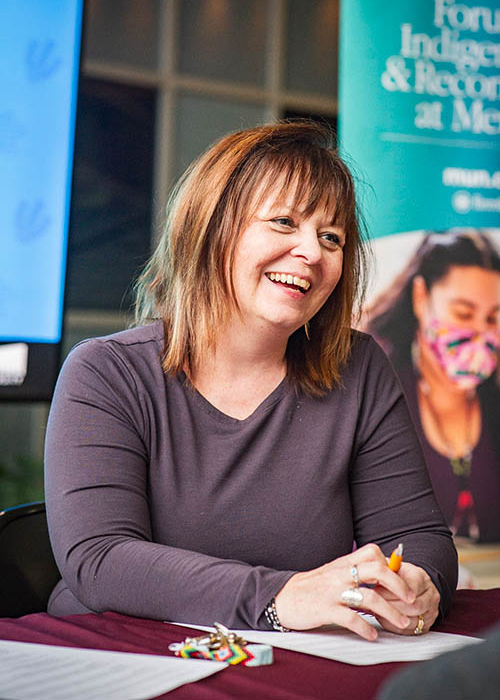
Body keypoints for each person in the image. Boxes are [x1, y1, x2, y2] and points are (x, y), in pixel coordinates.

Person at [44, 122, 457, 639]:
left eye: (332, 237)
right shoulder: (106, 372)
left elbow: (416, 536)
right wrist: (280, 597)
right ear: (212, 227)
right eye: (284, 222)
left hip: (291, 665)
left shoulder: (360, 366)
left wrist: (419, 583)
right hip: (118, 658)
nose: (313, 252)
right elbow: (100, 558)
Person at [366, 231, 500, 544]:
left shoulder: (494, 398)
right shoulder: (376, 389)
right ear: (421, 298)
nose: (479, 333)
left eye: (493, 318)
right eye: (463, 313)